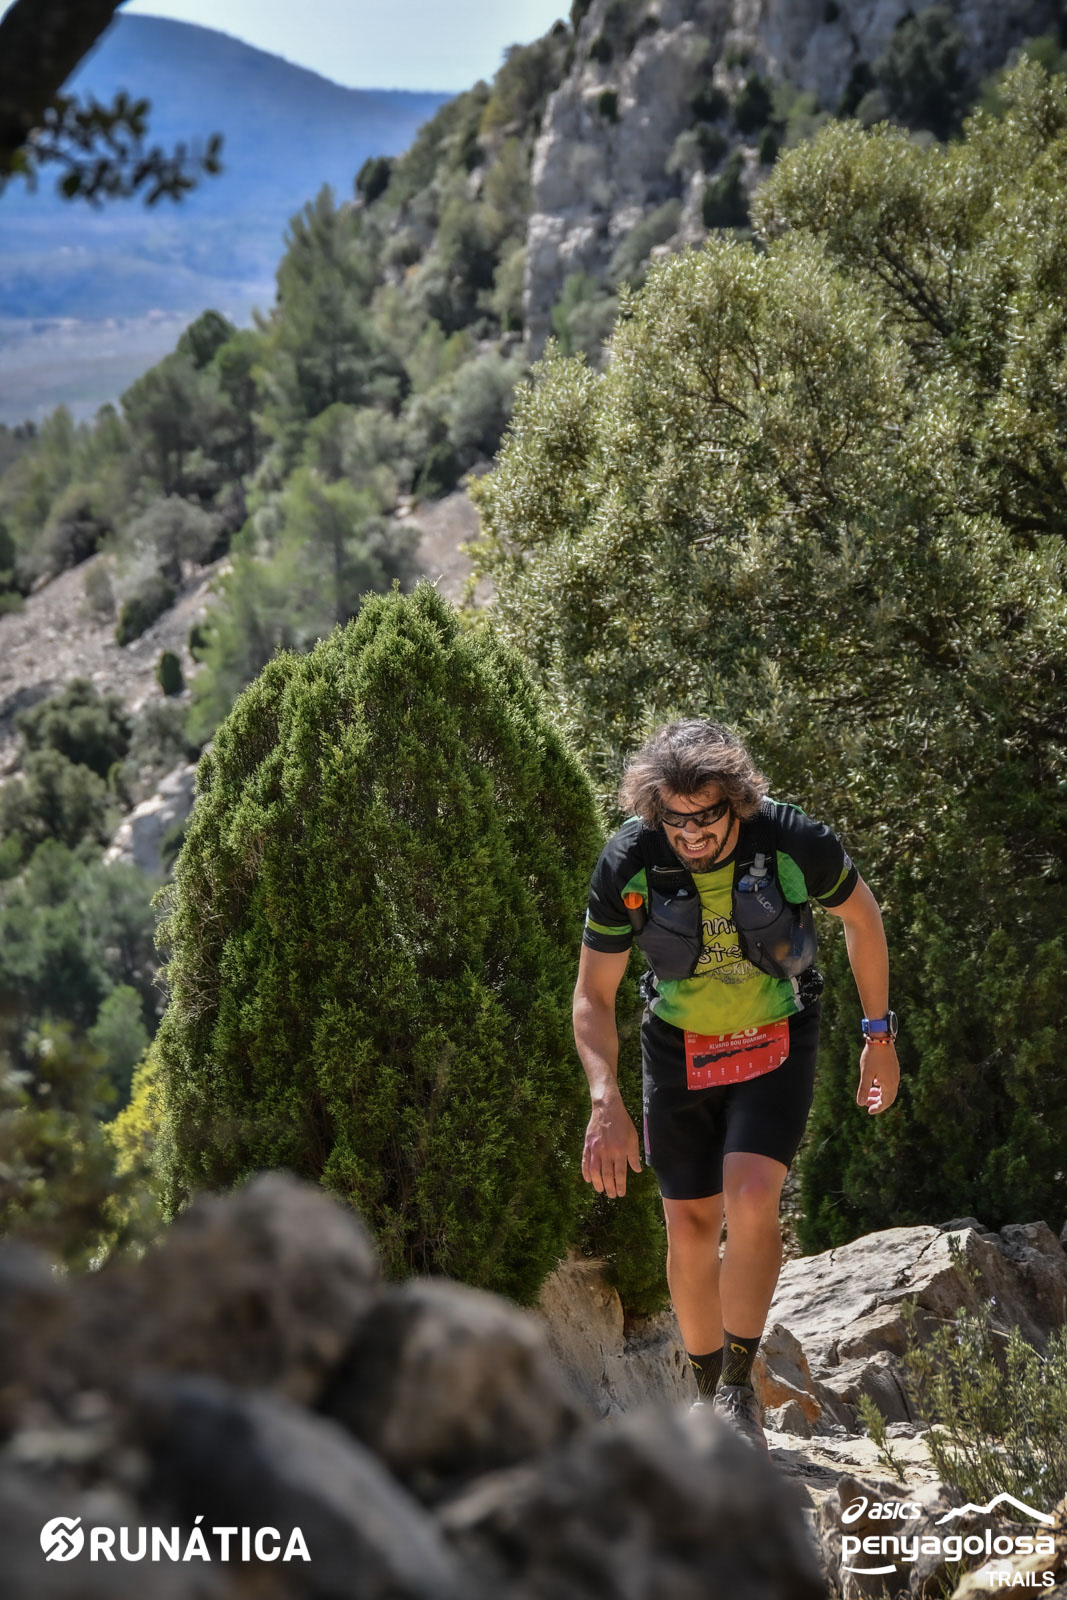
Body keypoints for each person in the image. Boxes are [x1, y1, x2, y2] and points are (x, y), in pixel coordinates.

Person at [574, 719, 899, 1451]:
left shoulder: (790, 839)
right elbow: (592, 994)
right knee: (690, 1227)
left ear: (738, 801)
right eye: (675, 820)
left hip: (776, 1034)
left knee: (751, 1195)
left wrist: (877, 1039)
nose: (690, 835)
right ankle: (704, 1393)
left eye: (707, 817)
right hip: (678, 1048)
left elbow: (861, 917)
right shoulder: (628, 859)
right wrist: (605, 1099)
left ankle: (735, 1393)